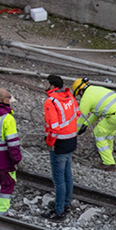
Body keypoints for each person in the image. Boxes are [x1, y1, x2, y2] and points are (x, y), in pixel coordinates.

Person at [71, 78, 116, 170]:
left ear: (80, 90)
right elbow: (97, 113)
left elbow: (81, 117)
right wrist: (86, 125)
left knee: (98, 133)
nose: (79, 96)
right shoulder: (96, 89)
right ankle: (108, 152)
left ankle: (109, 163)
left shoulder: (86, 98)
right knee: (109, 132)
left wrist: (74, 133)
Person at [43, 76, 79, 221]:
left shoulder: (50, 101)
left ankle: (58, 212)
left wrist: (50, 142)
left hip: (59, 143)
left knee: (59, 180)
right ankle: (65, 204)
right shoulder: (69, 96)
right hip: (71, 140)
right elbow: (77, 113)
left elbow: (53, 126)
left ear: (51, 85)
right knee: (67, 175)